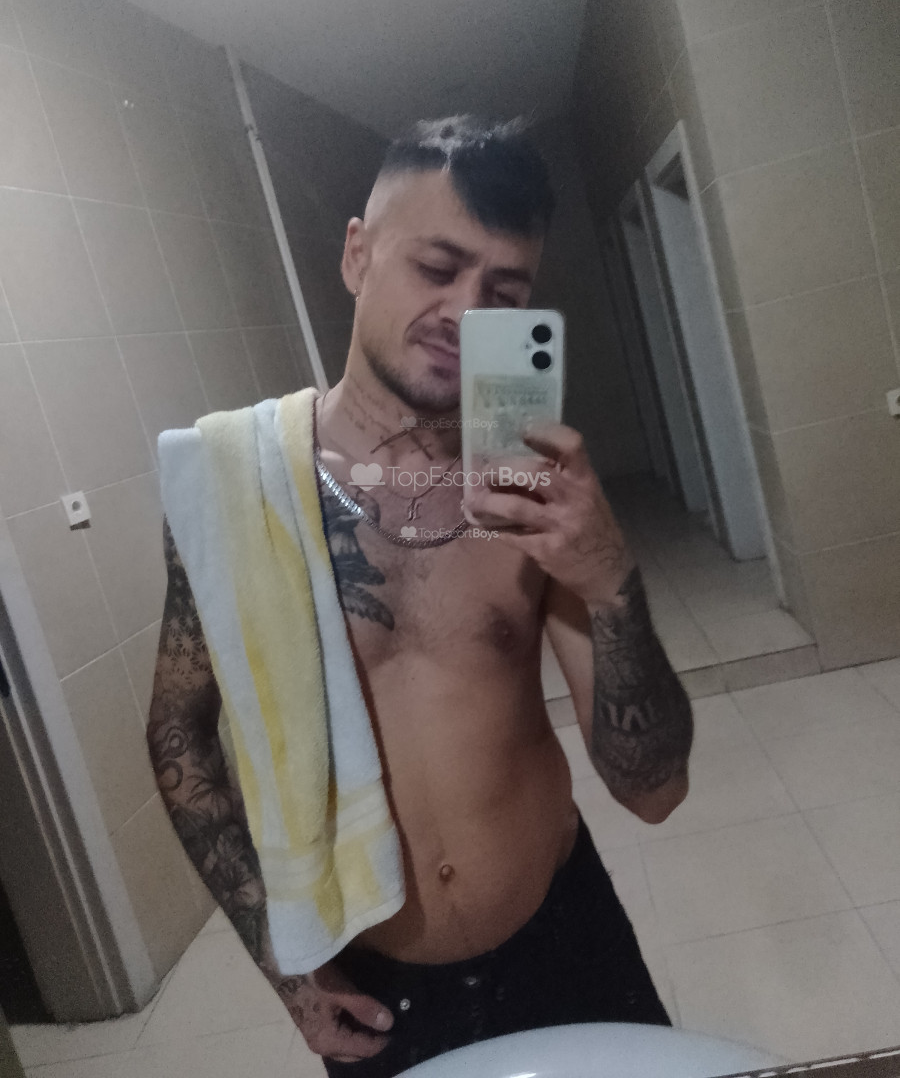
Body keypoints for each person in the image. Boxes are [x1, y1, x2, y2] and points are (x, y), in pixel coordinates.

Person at [147, 116, 694, 1076]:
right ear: (358, 254)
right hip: (372, 987)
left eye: (504, 292)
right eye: (437, 267)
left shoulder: (533, 492)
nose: (464, 311)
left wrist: (611, 581)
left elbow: (654, 790)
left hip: (567, 938)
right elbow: (177, 731)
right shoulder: (240, 491)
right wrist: (283, 965)